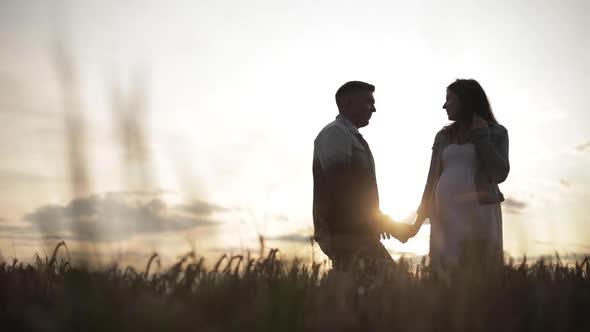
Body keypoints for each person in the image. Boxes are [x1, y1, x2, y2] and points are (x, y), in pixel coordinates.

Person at [408, 79, 509, 270]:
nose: (444, 105)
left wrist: (482, 136)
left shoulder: (496, 132)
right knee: (446, 266)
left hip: (480, 210)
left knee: (480, 265)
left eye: (449, 99)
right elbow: (431, 181)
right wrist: (417, 223)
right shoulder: (443, 136)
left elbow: (499, 173)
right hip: (444, 211)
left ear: (466, 100)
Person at [312, 81, 411, 271]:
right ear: (348, 103)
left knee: (368, 295)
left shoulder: (350, 136)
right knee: (397, 288)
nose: (374, 109)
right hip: (347, 235)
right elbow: (341, 190)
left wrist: (379, 222)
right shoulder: (335, 133)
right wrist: (386, 223)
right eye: (368, 102)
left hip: (360, 233)